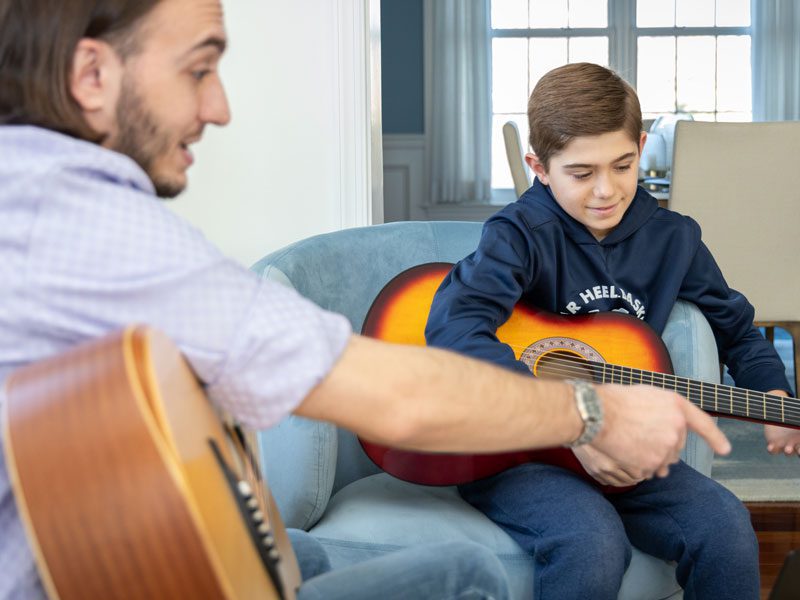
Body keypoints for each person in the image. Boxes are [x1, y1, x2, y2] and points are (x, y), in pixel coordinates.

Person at [0, 3, 731, 599]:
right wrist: (590, 412)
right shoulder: (88, 226)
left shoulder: (40, 195)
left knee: (416, 568)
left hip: (125, 551)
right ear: (92, 73)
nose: (220, 107)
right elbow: (391, 396)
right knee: (470, 577)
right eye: (199, 69)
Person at [425, 62, 799, 600]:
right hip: (517, 455)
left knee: (724, 524)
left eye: (622, 165)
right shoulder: (518, 235)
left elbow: (736, 328)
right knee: (592, 541)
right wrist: (572, 422)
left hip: (624, 451)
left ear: (641, 145)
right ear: (539, 166)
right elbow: (454, 328)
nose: (606, 190)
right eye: (581, 173)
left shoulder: (674, 240)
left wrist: (774, 395)